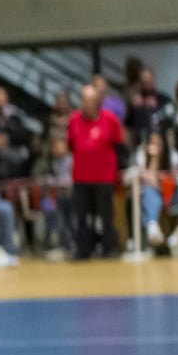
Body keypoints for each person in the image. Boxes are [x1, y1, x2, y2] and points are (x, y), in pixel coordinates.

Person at [67, 83, 125, 259]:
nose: (87, 104)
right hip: (81, 177)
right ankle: (83, 250)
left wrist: (118, 171)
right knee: (82, 216)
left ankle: (109, 248)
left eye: (90, 100)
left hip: (104, 177)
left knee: (106, 215)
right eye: (84, 100)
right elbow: (71, 145)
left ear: (98, 102)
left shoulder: (110, 119)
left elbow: (119, 146)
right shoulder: (74, 120)